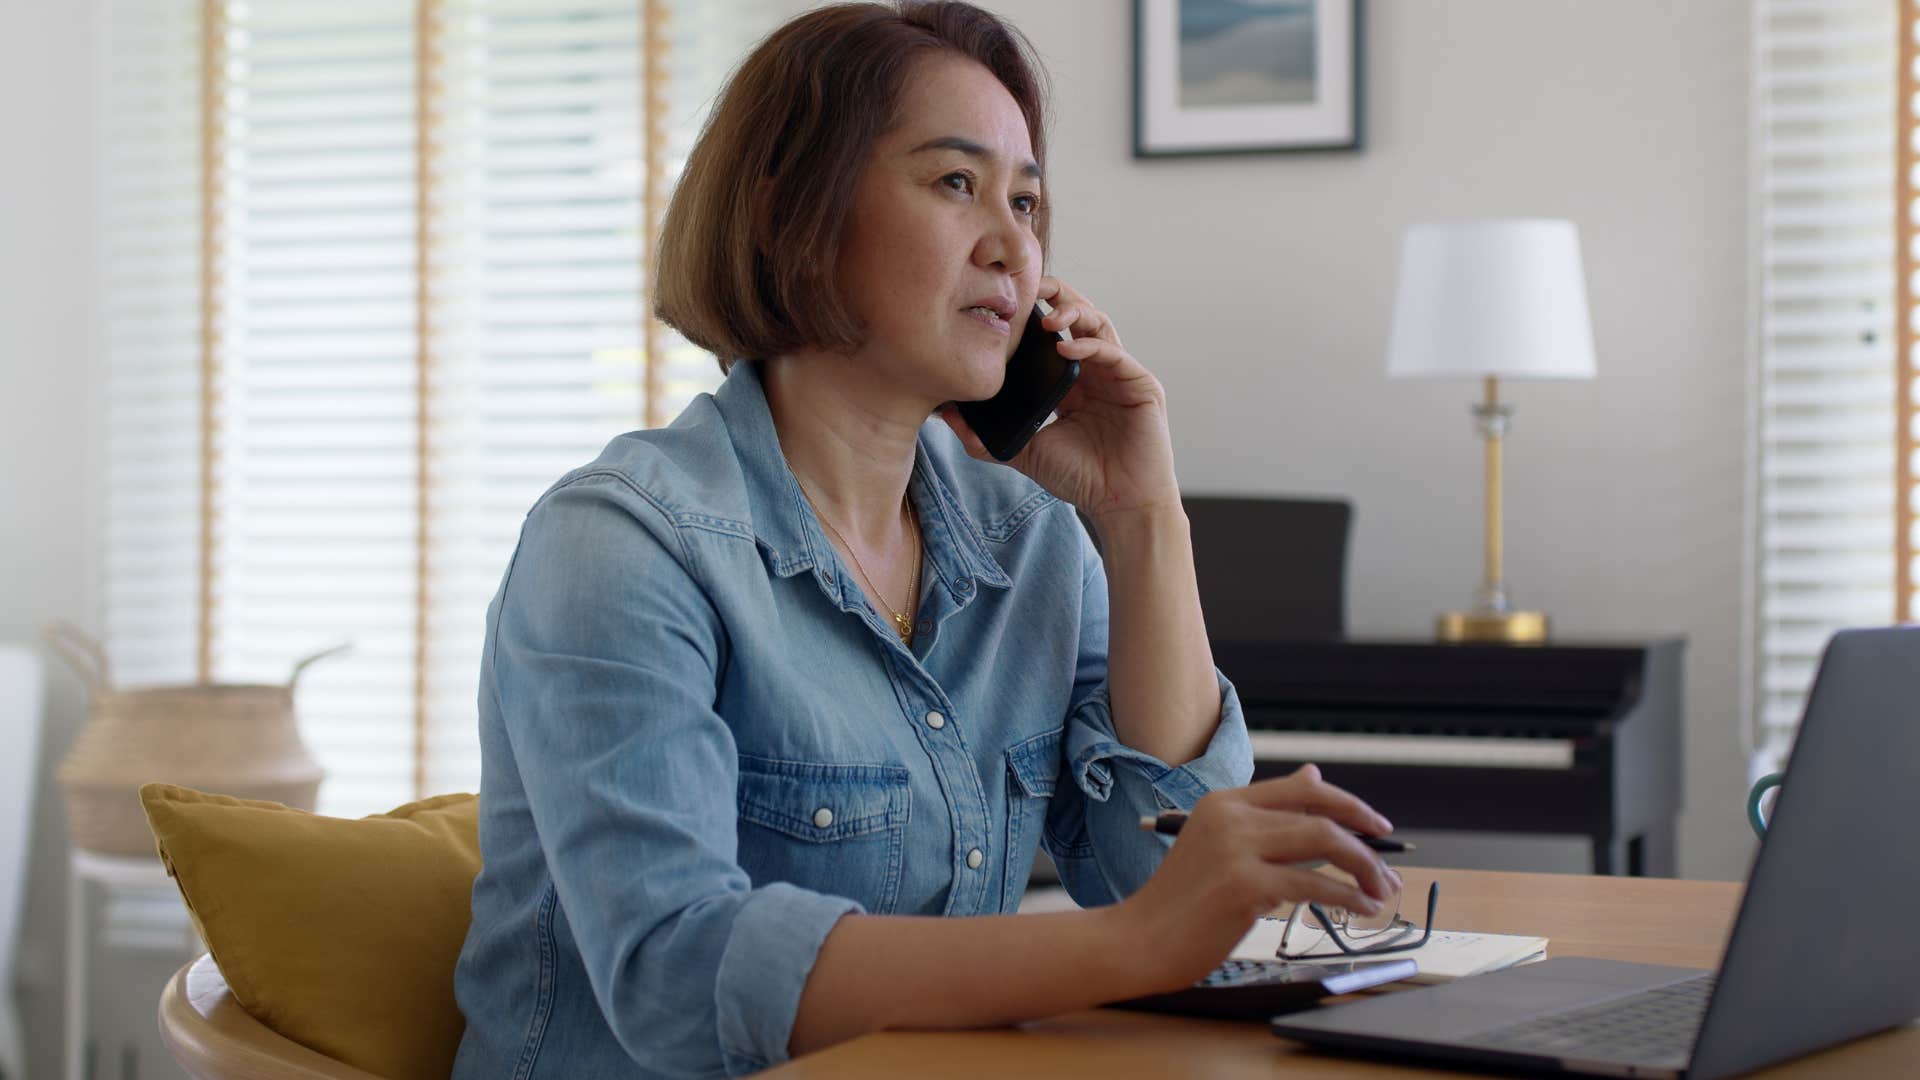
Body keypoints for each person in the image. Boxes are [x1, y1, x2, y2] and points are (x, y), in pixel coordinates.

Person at [451, 3, 1399, 1076]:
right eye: (957, 183)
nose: (1013, 247)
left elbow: (1156, 880)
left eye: (1028, 202)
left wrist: (1142, 521)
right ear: (787, 215)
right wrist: (1132, 945)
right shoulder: (619, 546)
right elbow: (677, 974)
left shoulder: (1031, 538)